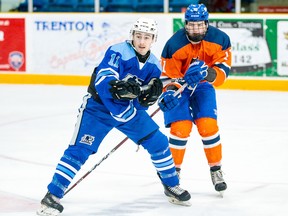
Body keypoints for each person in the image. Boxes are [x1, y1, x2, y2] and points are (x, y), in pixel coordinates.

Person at [36, 17, 191, 216]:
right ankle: (53, 194)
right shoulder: (118, 51)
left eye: (147, 37)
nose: (142, 41)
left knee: (159, 142)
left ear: (153, 39)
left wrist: (151, 97)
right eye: (138, 36)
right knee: (80, 150)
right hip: (98, 109)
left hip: (127, 111)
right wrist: (118, 91)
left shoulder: (153, 64)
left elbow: (145, 98)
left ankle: (171, 185)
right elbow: (103, 80)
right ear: (132, 36)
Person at [158, 3, 232, 195]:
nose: (195, 29)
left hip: (203, 86)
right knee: (180, 128)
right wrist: (170, 92)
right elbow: (167, 77)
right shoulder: (174, 45)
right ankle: (172, 177)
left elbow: (222, 73)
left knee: (208, 126)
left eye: (199, 25)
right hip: (180, 87)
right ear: (186, 24)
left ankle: (216, 170)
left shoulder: (220, 39)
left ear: (206, 24)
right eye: (191, 24)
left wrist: (206, 73)